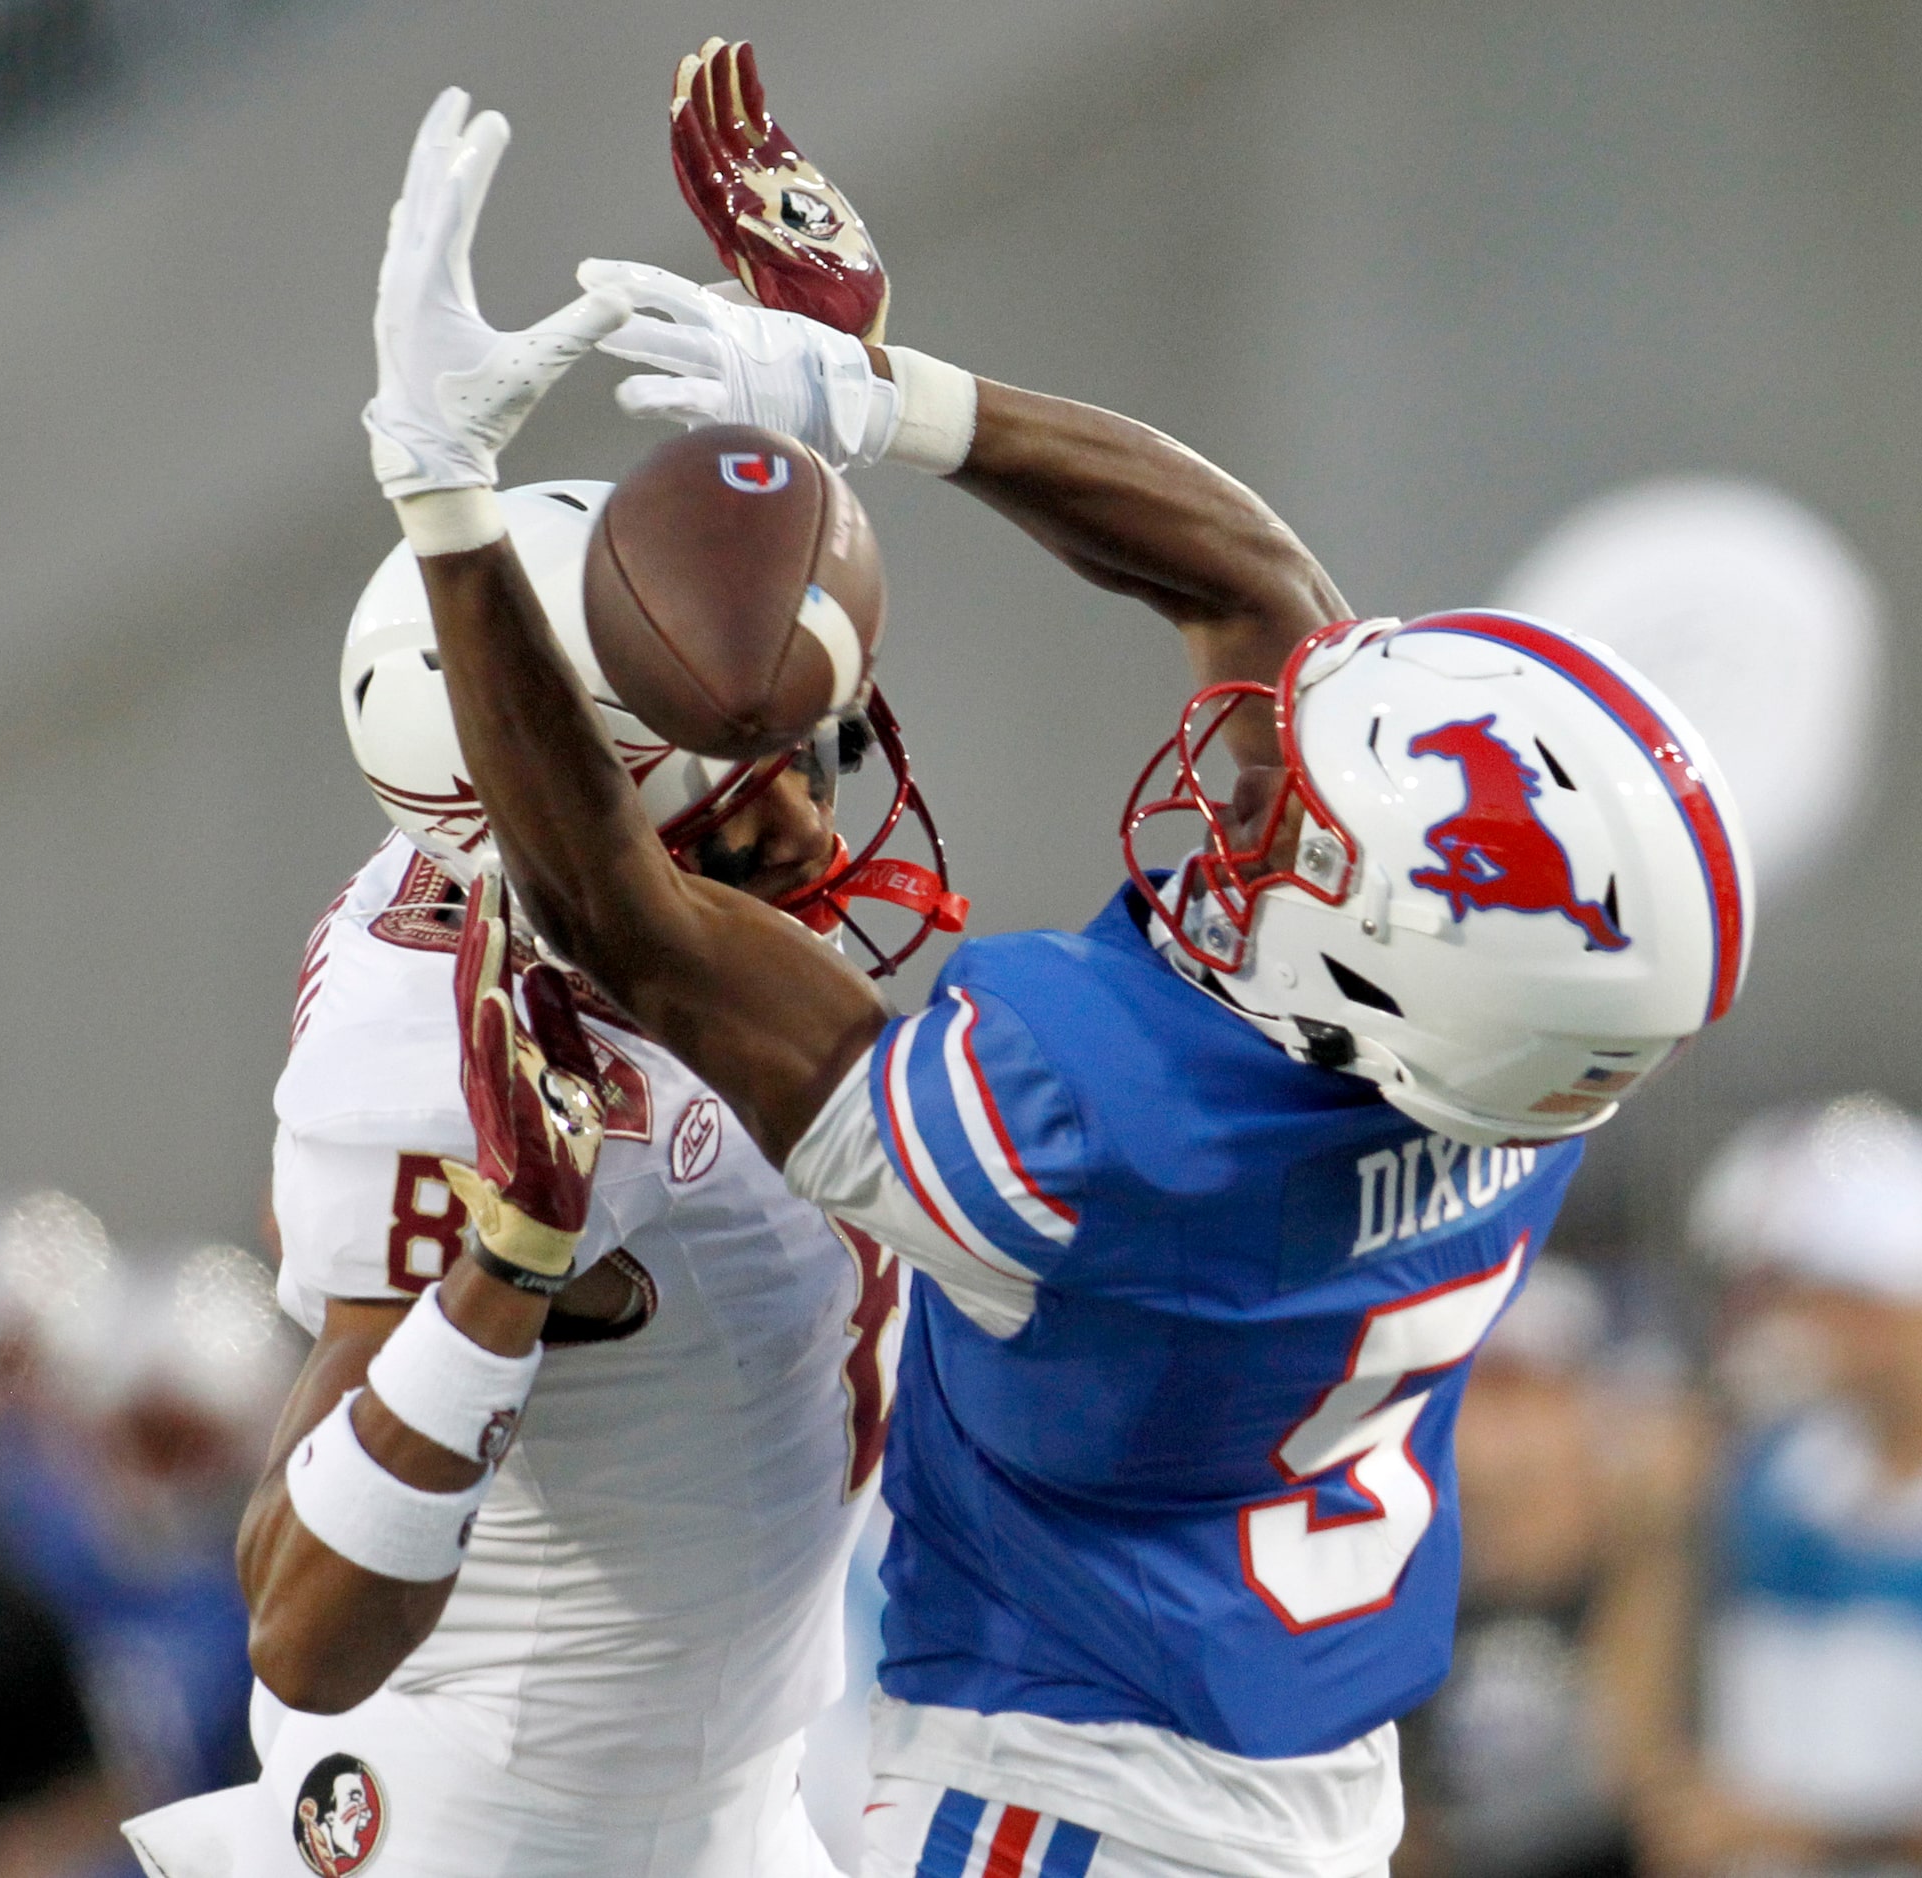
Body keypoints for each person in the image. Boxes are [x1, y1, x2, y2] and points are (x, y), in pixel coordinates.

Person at [358, 78, 1753, 1878]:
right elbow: (1255, 585)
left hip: (1080, 1799)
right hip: (1311, 1770)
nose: (1247, 798)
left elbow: (617, 907)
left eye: (1297, 836)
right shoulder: (1524, 1068)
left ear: (1375, 970)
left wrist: (445, 499)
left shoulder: (1094, 1123)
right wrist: (888, 397)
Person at [123, 59, 958, 1878]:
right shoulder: (451, 1046)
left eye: (804, 764)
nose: (811, 838)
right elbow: (302, 1621)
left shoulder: (548, 870)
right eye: (740, 806)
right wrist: (504, 1267)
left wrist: (837, 400)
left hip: (710, 1805)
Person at [1635, 1095, 1922, 1878]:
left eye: (1777, 1289)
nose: (1756, 1325)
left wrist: (1807, 1836)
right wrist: (1655, 1539)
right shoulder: (1771, 1474)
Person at [1395, 1258, 1707, 1878]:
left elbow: (1642, 1783)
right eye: (1471, 1400)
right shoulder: (1400, 1575)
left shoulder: (1662, 1561)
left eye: (1527, 1399)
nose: (1496, 1446)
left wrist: (1641, 1550)